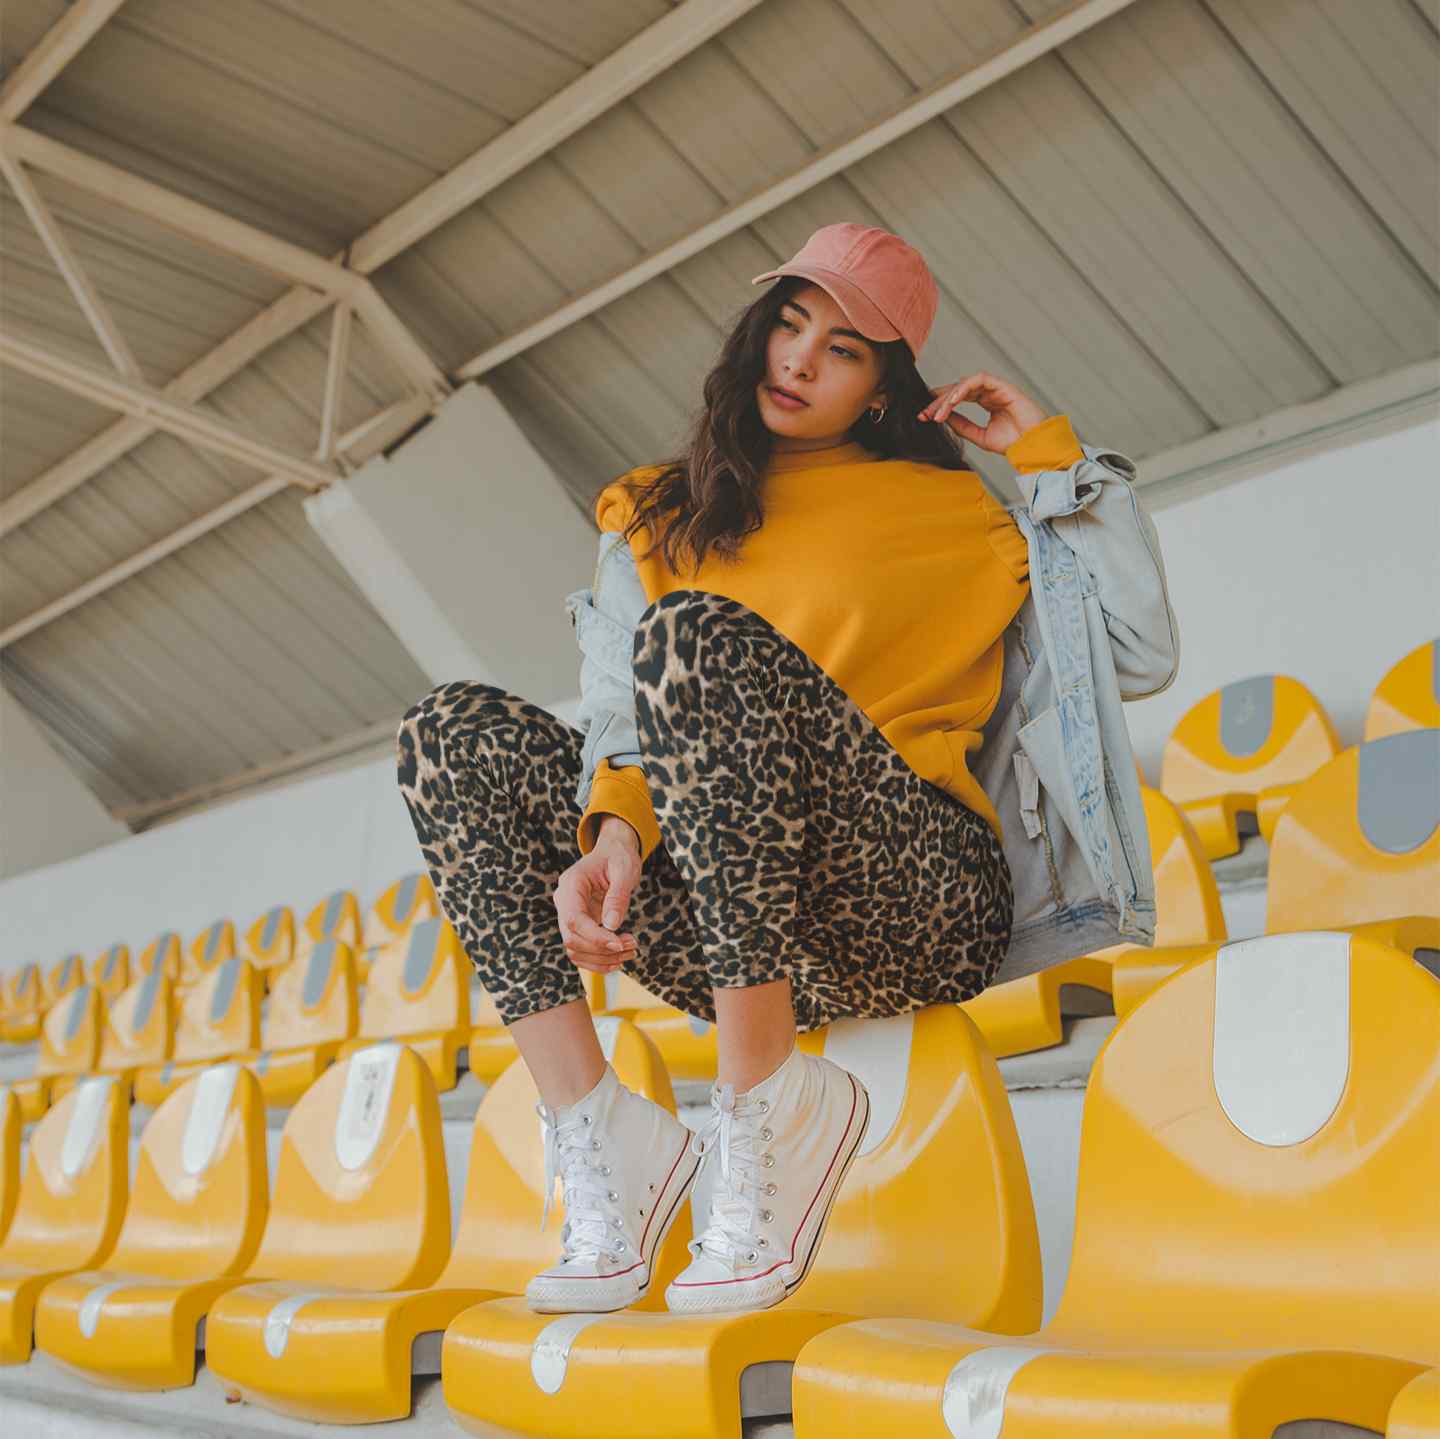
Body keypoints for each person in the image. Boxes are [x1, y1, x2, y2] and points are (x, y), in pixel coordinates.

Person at [396, 222, 1101, 1318]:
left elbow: (1136, 648)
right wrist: (614, 833)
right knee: (450, 732)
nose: (800, 358)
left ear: (883, 387)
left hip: (909, 895)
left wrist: (1048, 454)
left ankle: (763, 1108)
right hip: (742, 929)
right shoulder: (658, 509)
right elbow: (622, 721)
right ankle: (600, 1130)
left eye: (844, 346)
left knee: (698, 636)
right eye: (789, 321)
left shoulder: (967, 514)